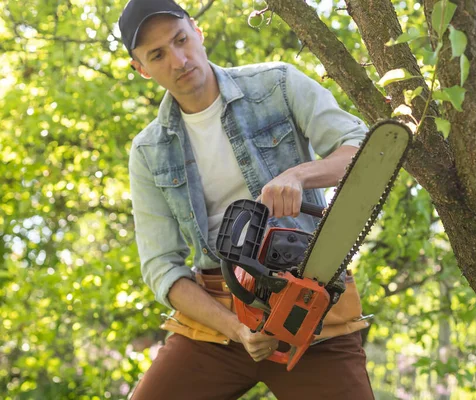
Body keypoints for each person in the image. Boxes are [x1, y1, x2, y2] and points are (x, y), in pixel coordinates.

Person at [120, 0, 374, 398]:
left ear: (197, 33)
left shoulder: (278, 84)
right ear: (141, 68)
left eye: (181, 40)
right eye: (157, 54)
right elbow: (161, 266)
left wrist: (297, 175)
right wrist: (236, 328)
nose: (179, 59)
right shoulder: (149, 151)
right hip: (217, 314)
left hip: (308, 303)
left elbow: (362, 149)